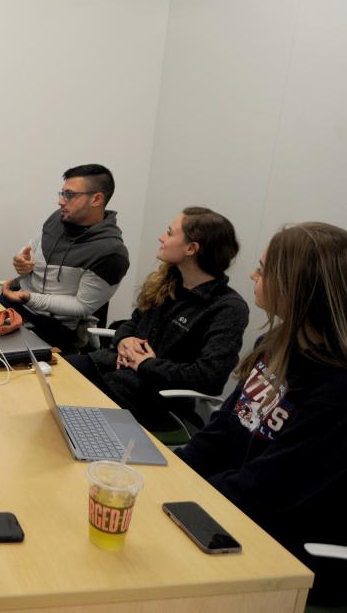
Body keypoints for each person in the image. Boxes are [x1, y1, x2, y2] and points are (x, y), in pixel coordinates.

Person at [178, 222, 347, 606]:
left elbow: (271, 488)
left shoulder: (337, 388)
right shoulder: (273, 345)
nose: (253, 275)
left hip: (289, 545)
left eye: (263, 268)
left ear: (299, 286)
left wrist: (180, 498)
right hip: (236, 510)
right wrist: (173, 472)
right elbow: (222, 429)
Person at [66, 207, 249, 431]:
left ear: (191, 248)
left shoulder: (228, 309)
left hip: (149, 399)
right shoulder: (167, 282)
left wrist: (145, 364)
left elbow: (209, 378)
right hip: (112, 371)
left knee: (62, 405)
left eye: (170, 233)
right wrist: (125, 340)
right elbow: (131, 324)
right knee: (51, 374)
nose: (162, 237)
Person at [0, 164, 130, 352]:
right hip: (18, 306)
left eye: (69, 195)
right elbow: (34, 246)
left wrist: (27, 297)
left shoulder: (111, 253)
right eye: (62, 193)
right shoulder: (60, 218)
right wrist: (22, 262)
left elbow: (82, 306)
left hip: (55, 328)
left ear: (97, 199)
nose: (61, 201)